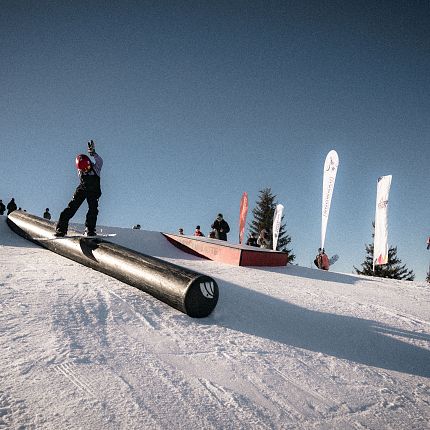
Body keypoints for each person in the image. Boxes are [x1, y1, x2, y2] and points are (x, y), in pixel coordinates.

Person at [55, 140, 103, 237]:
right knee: (71, 207)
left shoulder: (96, 168)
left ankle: (90, 229)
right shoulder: (80, 171)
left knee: (93, 210)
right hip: (83, 189)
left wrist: (93, 153)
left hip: (93, 191)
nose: (86, 170)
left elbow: (100, 161)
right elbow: (81, 165)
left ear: (90, 163)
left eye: (88, 167)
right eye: (84, 169)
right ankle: (61, 229)